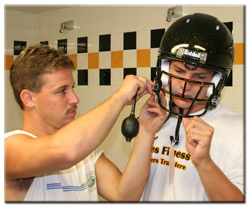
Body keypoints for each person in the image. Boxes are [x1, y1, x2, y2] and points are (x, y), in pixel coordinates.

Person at [4, 44, 167, 202]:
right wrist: (120, 98)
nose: (75, 99)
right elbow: (66, 153)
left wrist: (146, 131)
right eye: (62, 91)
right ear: (28, 98)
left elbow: (125, 195)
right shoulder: (9, 149)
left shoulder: (86, 155)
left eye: (72, 88)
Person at [140, 13, 244, 202]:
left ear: (216, 80)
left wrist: (204, 163)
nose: (186, 85)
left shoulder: (240, 132)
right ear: (164, 70)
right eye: (179, 71)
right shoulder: (153, 119)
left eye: (200, 77)